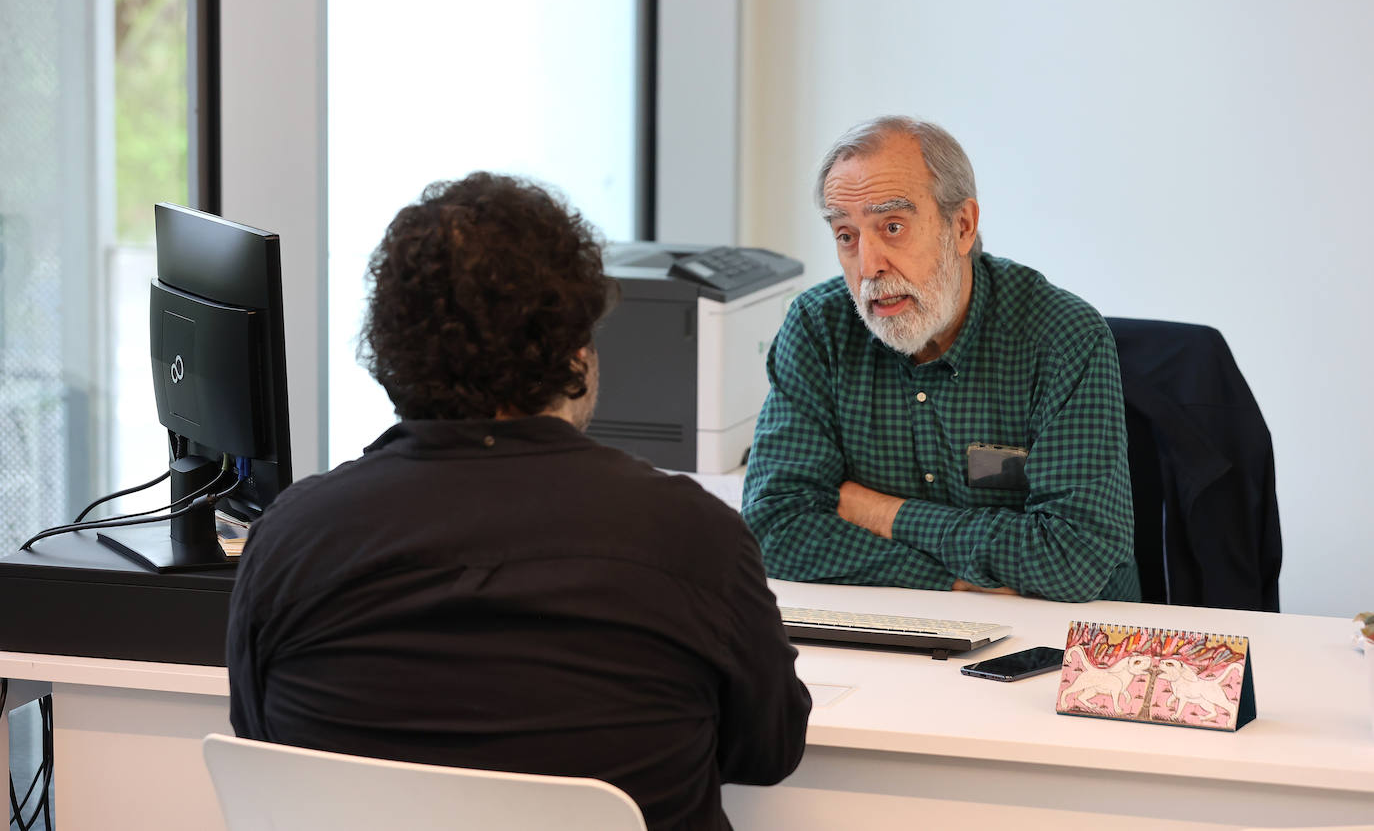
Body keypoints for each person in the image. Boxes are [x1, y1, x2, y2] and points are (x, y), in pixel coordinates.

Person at [227, 172, 811, 831]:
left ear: (390, 350)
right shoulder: (694, 537)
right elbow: (767, 749)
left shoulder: (291, 541)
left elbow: (262, 738)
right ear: (576, 349)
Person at [741, 116, 1139, 602]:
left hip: (1066, 649)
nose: (868, 267)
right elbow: (774, 527)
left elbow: (1073, 559)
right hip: (902, 632)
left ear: (963, 226)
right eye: (846, 236)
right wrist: (952, 583)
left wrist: (881, 513)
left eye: (892, 227)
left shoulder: (1062, 336)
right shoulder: (817, 328)